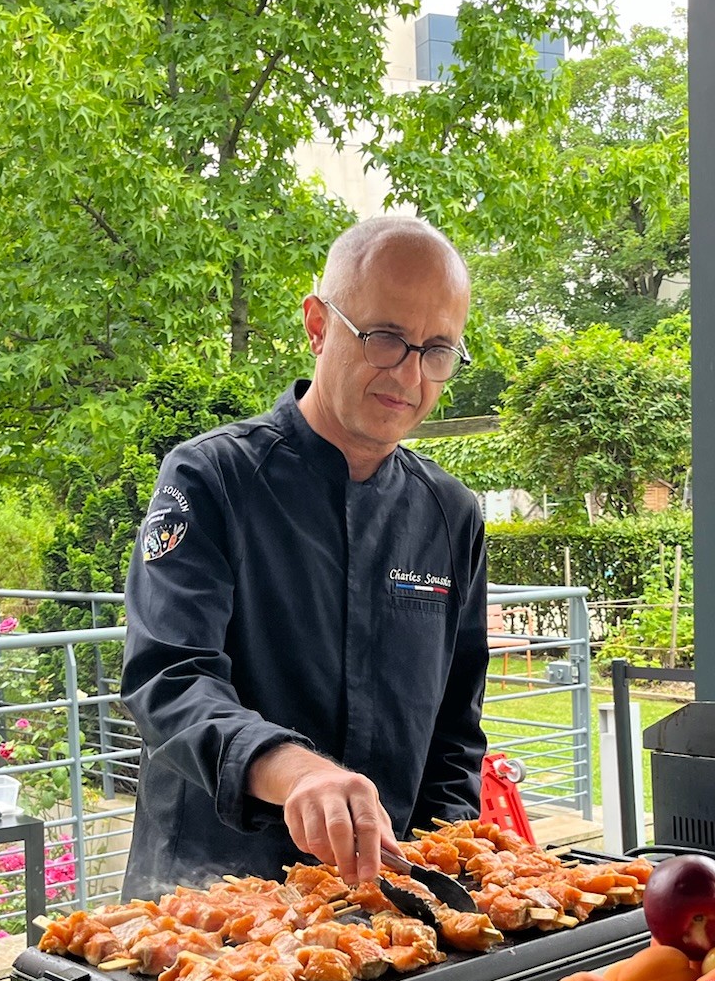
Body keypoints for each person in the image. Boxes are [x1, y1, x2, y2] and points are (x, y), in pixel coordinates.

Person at [121, 215, 489, 894]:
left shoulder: (452, 515)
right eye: (385, 337)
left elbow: (455, 738)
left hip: (385, 908)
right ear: (317, 325)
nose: (410, 375)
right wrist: (299, 771)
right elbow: (168, 680)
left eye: (437, 349)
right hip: (209, 905)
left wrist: (448, 875)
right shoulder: (211, 478)